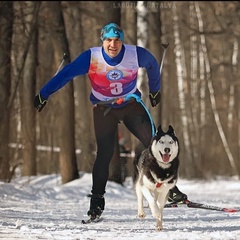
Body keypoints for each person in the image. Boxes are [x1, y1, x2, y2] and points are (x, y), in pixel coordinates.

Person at [34, 22, 187, 220]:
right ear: (102, 41)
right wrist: (44, 94)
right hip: (104, 109)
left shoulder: (134, 54)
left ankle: (171, 188)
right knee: (104, 153)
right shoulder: (92, 57)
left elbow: (152, 64)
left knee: (154, 143)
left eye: (116, 40)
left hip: (131, 104)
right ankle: (97, 202)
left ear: (121, 41)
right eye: (108, 40)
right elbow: (66, 73)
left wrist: (155, 88)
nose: (112, 45)